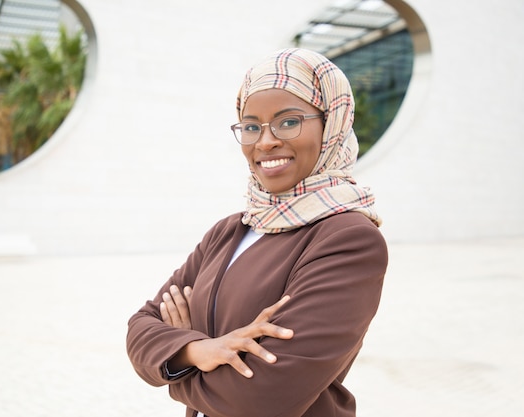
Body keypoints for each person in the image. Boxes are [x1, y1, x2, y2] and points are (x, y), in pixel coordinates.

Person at [126, 47, 388, 417]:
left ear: (331, 125)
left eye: (288, 121)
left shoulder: (347, 239)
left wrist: (176, 368)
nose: (265, 142)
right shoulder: (231, 229)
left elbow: (262, 399)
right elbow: (140, 328)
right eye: (251, 127)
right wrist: (199, 351)